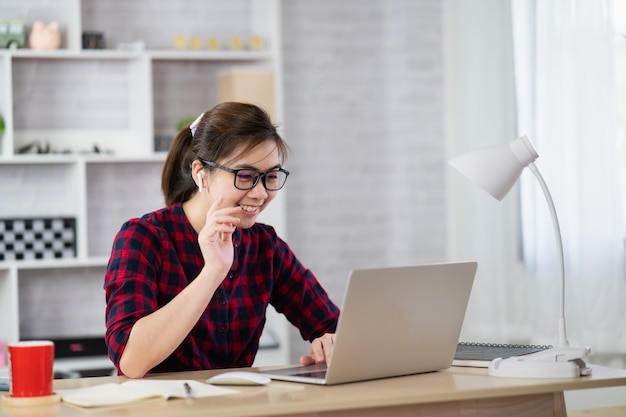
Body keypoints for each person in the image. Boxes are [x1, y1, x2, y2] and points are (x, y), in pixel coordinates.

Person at [104, 102, 340, 378]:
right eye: (246, 176)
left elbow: (332, 326)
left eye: (271, 176)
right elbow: (131, 361)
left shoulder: (265, 246)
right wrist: (213, 271)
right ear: (200, 174)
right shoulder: (142, 238)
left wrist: (330, 343)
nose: (261, 193)